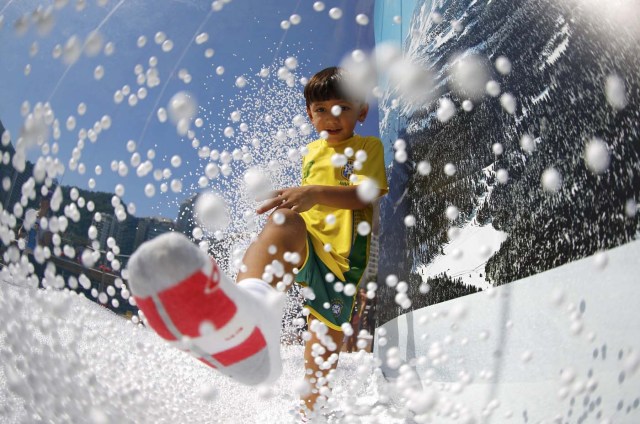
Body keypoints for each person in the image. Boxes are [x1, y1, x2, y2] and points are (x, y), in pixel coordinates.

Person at [127, 66, 388, 420]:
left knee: (322, 340)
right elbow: (306, 203)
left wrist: (311, 193)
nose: (330, 117)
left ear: (362, 111)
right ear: (310, 115)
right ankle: (252, 307)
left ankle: (311, 408)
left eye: (341, 107)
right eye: (320, 110)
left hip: (341, 262)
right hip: (307, 242)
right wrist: (290, 201)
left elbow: (364, 195)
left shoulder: (367, 146)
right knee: (281, 222)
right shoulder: (312, 152)